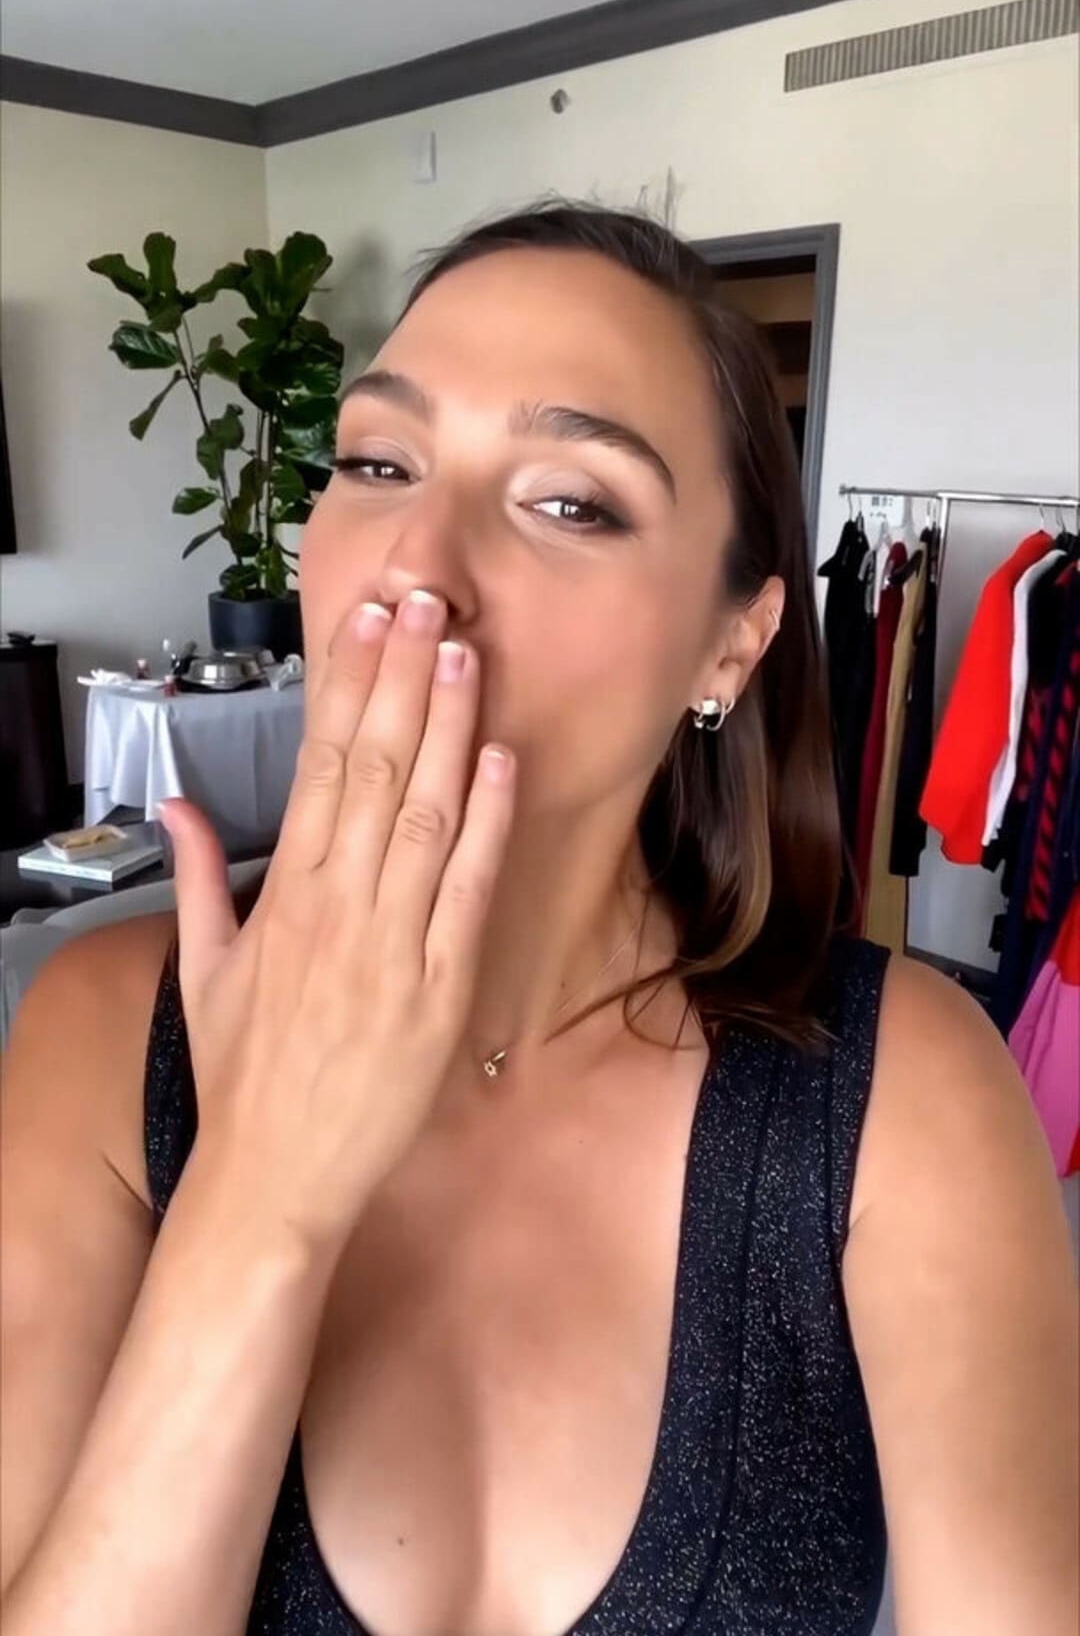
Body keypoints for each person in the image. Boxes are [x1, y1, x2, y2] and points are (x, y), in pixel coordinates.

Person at [2, 202, 1076, 1636]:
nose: (416, 566)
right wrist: (259, 1189)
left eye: (571, 501)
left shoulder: (905, 1094)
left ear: (734, 640)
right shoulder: (100, 1033)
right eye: (377, 464)